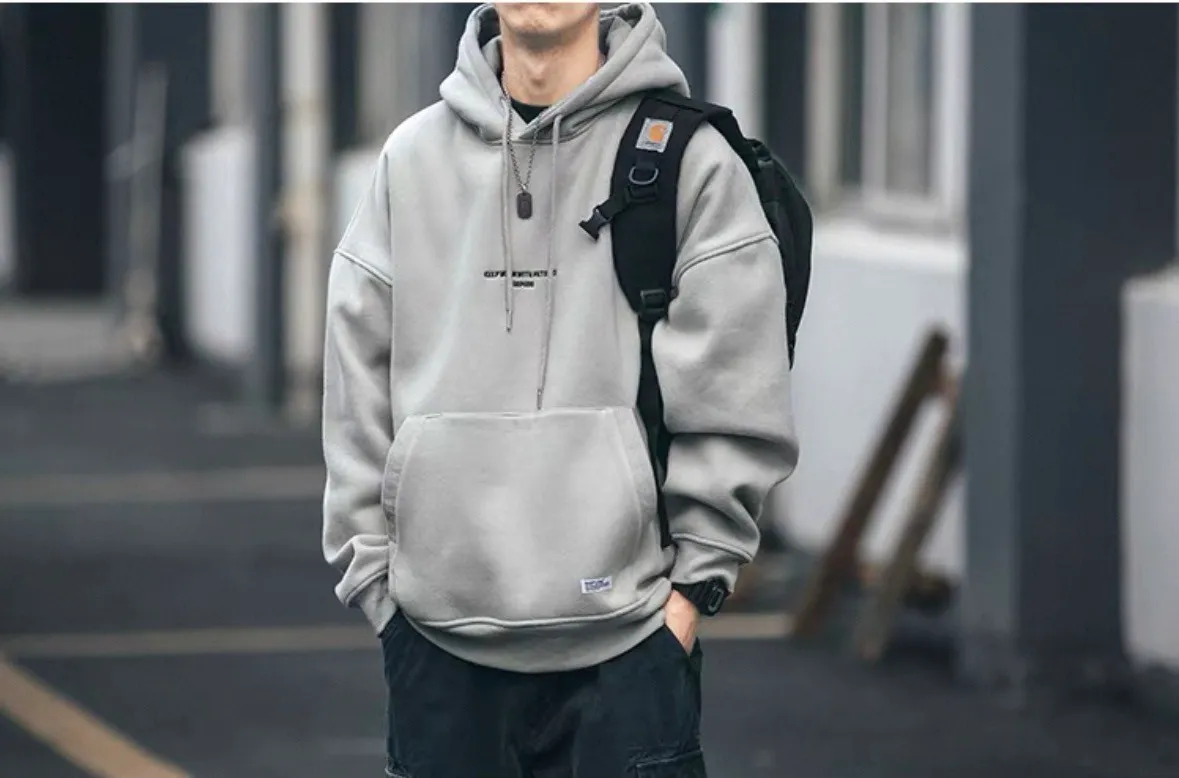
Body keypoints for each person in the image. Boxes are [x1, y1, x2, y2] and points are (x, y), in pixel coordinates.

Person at [321, 3, 799, 776]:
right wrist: (377, 586)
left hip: (629, 648)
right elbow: (356, 380)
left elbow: (737, 386)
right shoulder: (410, 161)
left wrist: (691, 592)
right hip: (438, 650)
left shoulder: (689, 161)